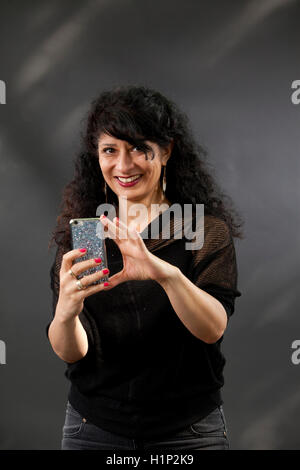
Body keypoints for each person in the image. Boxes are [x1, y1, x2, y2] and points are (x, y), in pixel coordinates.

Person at [47, 85, 243, 451]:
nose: (123, 165)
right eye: (110, 150)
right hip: (93, 430)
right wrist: (66, 314)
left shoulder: (202, 229)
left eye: (139, 148)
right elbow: (72, 352)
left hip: (189, 433)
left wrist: (163, 272)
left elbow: (212, 329)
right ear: (97, 156)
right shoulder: (85, 232)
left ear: (166, 152)